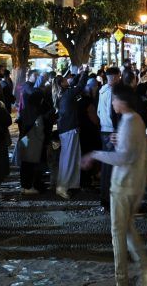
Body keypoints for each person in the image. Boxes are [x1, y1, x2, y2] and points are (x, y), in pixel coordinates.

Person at [83, 83, 147, 286]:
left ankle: (121, 279)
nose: (112, 103)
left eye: (114, 99)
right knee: (127, 228)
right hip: (135, 183)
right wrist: (119, 141)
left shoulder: (129, 121)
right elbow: (132, 149)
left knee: (118, 231)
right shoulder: (135, 119)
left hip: (123, 184)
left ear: (122, 101)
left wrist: (95, 154)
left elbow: (123, 158)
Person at [56, 71, 86, 199]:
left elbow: (73, 83)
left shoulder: (62, 93)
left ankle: (70, 184)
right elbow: (79, 87)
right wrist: (85, 73)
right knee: (69, 158)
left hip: (66, 128)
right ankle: (63, 186)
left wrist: (79, 74)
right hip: (69, 128)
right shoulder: (67, 94)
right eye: (65, 79)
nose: (68, 80)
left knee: (71, 157)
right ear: (62, 83)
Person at [97, 66, 122, 211]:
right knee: (112, 166)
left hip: (104, 129)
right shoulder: (113, 91)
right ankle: (109, 199)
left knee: (107, 165)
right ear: (116, 76)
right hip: (112, 131)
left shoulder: (102, 90)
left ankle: (105, 198)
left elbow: (100, 111)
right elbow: (113, 113)